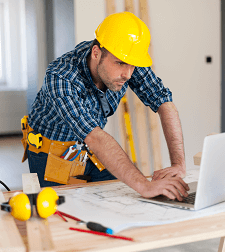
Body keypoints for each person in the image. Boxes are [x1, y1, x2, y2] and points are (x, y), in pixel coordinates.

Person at [23, 11, 189, 201]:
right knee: (64, 216)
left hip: (89, 150)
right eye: (120, 64)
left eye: (132, 66)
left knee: (121, 203)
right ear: (96, 53)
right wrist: (144, 184)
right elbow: (95, 137)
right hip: (51, 155)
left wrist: (178, 164)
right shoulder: (61, 77)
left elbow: (164, 102)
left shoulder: (125, 59)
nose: (128, 74)